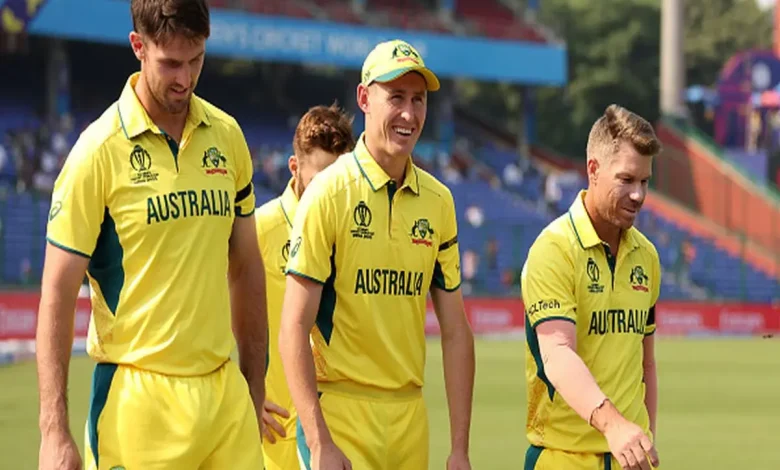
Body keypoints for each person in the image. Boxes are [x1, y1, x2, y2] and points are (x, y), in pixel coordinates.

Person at [36, 1, 268, 469]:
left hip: (225, 399)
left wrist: (253, 387)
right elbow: (57, 293)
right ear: (138, 47)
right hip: (138, 403)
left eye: (197, 59)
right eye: (171, 64)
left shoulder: (228, 136)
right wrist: (54, 430)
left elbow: (245, 266)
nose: (185, 78)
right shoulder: (96, 153)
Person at [279, 39, 475, 470]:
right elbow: (294, 325)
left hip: (409, 419)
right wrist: (318, 441)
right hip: (341, 415)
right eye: (396, 97)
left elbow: (456, 330)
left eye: (419, 99)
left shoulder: (439, 202)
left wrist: (459, 448)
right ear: (365, 98)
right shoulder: (328, 193)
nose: (409, 114)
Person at [521, 104, 662, 470]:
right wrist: (614, 426)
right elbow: (557, 354)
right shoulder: (554, 249)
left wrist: (644, 438)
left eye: (645, 182)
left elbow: (645, 363)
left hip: (629, 458)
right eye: (627, 180)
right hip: (562, 458)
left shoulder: (646, 257)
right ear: (594, 170)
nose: (639, 195)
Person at [255, 103, 356, 470]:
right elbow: (207, 311)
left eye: (336, 185)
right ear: (294, 168)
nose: (326, 198)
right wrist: (246, 387)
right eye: (317, 184)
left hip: (343, 428)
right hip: (276, 432)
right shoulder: (259, 231)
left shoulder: (356, 233)